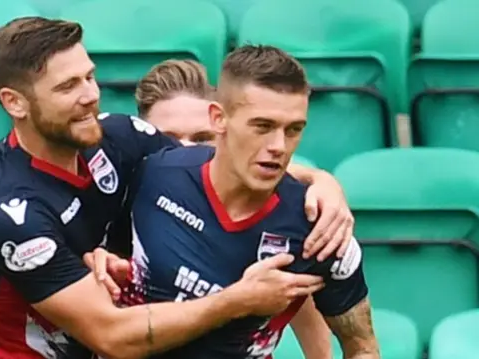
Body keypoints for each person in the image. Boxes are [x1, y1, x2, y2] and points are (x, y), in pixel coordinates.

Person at [0, 17, 355, 359]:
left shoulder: (119, 138)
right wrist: (237, 301)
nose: (90, 96)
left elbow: (222, 167)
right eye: (67, 87)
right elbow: (113, 336)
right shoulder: (10, 212)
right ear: (15, 103)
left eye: (90, 76)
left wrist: (321, 181)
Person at [88, 45, 379, 359]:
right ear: (219, 118)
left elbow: (361, 346)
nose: (279, 146)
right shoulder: (148, 175)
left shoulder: (319, 228)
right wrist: (100, 260)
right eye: (262, 127)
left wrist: (324, 180)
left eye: (294, 130)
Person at [132, 59, 332, 358]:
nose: (186, 151)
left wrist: (325, 182)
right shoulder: (128, 187)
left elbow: (300, 299)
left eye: (201, 139)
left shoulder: (276, 213)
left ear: (221, 127)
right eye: (167, 139)